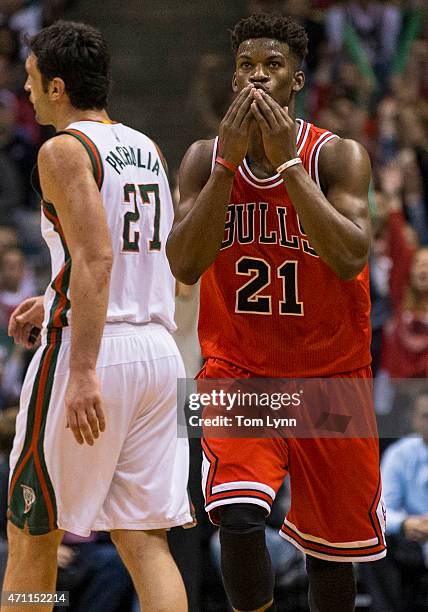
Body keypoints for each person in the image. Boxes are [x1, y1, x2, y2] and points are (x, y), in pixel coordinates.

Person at [167, 13, 385, 612]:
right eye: (246, 66)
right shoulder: (201, 159)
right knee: (237, 517)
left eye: (272, 65)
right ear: (234, 81)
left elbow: (348, 257)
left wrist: (287, 165)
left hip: (331, 380)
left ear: (297, 81)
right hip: (242, 370)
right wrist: (226, 169)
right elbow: (185, 264)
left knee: (332, 562)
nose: (257, 77)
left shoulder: (337, 157)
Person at [2, 20, 193, 612]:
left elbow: (97, 254)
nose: (27, 92)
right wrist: (56, 291)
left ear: (58, 86)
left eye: (32, 80)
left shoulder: (63, 149)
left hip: (92, 354)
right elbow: (138, 253)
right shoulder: (148, 147)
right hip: (158, 356)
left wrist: (81, 367)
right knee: (144, 540)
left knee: (33, 535)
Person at [361, 390, 428, 611]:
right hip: (412, 538)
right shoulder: (399, 454)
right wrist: (406, 523)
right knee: (374, 545)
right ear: (415, 421)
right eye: (425, 416)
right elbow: (383, 508)